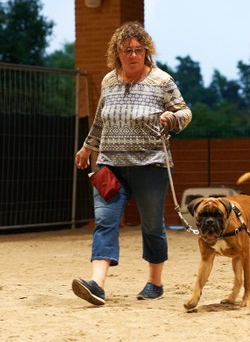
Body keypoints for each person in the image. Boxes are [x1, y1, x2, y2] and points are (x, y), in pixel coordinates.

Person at [72, 21, 192, 306]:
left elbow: (185, 112)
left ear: (147, 52)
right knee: (104, 221)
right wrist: (88, 147)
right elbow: (101, 119)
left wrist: (172, 118)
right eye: (127, 50)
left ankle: (155, 282)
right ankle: (97, 285)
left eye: (139, 50)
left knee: (151, 225)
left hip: (150, 165)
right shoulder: (108, 82)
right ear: (118, 52)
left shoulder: (162, 81)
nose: (133, 55)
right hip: (110, 165)